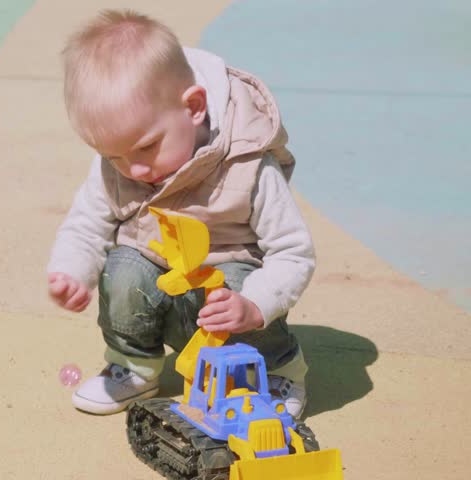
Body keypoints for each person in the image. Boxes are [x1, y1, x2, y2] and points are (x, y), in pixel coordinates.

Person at [47, 9, 315, 417]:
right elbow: (87, 226)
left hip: (227, 295)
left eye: (146, 147)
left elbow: (293, 252)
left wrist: (257, 304)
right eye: (113, 155)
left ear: (193, 107)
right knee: (124, 267)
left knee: (240, 287)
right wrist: (70, 271)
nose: (134, 169)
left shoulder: (247, 163)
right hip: (162, 283)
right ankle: (135, 366)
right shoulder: (120, 163)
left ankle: (274, 372)